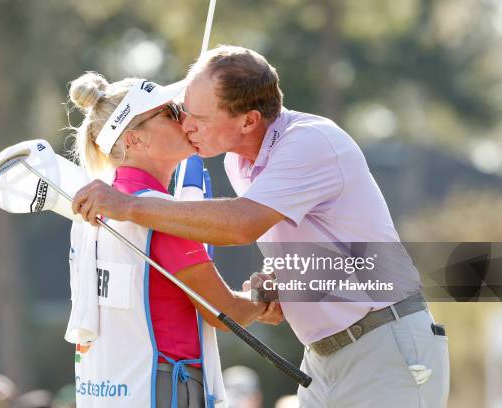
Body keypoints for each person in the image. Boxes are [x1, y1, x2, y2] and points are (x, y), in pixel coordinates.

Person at [71, 46, 450, 407]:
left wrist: (131, 206)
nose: (187, 125)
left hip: (384, 341)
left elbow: (243, 226)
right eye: (178, 112)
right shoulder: (238, 164)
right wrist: (280, 280)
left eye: (196, 116)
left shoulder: (310, 142)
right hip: (322, 358)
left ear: (249, 120)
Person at [66, 71, 268, 408]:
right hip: (162, 389)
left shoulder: (100, 204)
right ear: (134, 141)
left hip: (112, 390)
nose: (186, 119)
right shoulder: (156, 211)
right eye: (171, 112)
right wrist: (263, 298)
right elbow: (225, 312)